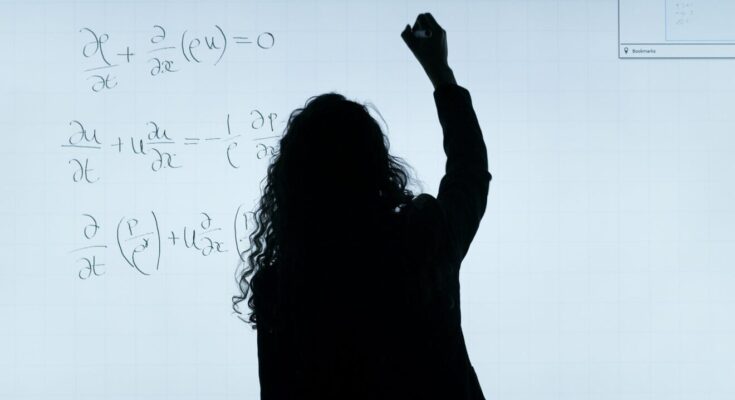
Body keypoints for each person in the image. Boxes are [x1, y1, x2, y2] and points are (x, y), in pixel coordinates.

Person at [232, 12, 491, 400]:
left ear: (292, 185)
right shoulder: (422, 240)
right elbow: (469, 173)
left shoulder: (280, 288)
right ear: (379, 168)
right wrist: (440, 72)